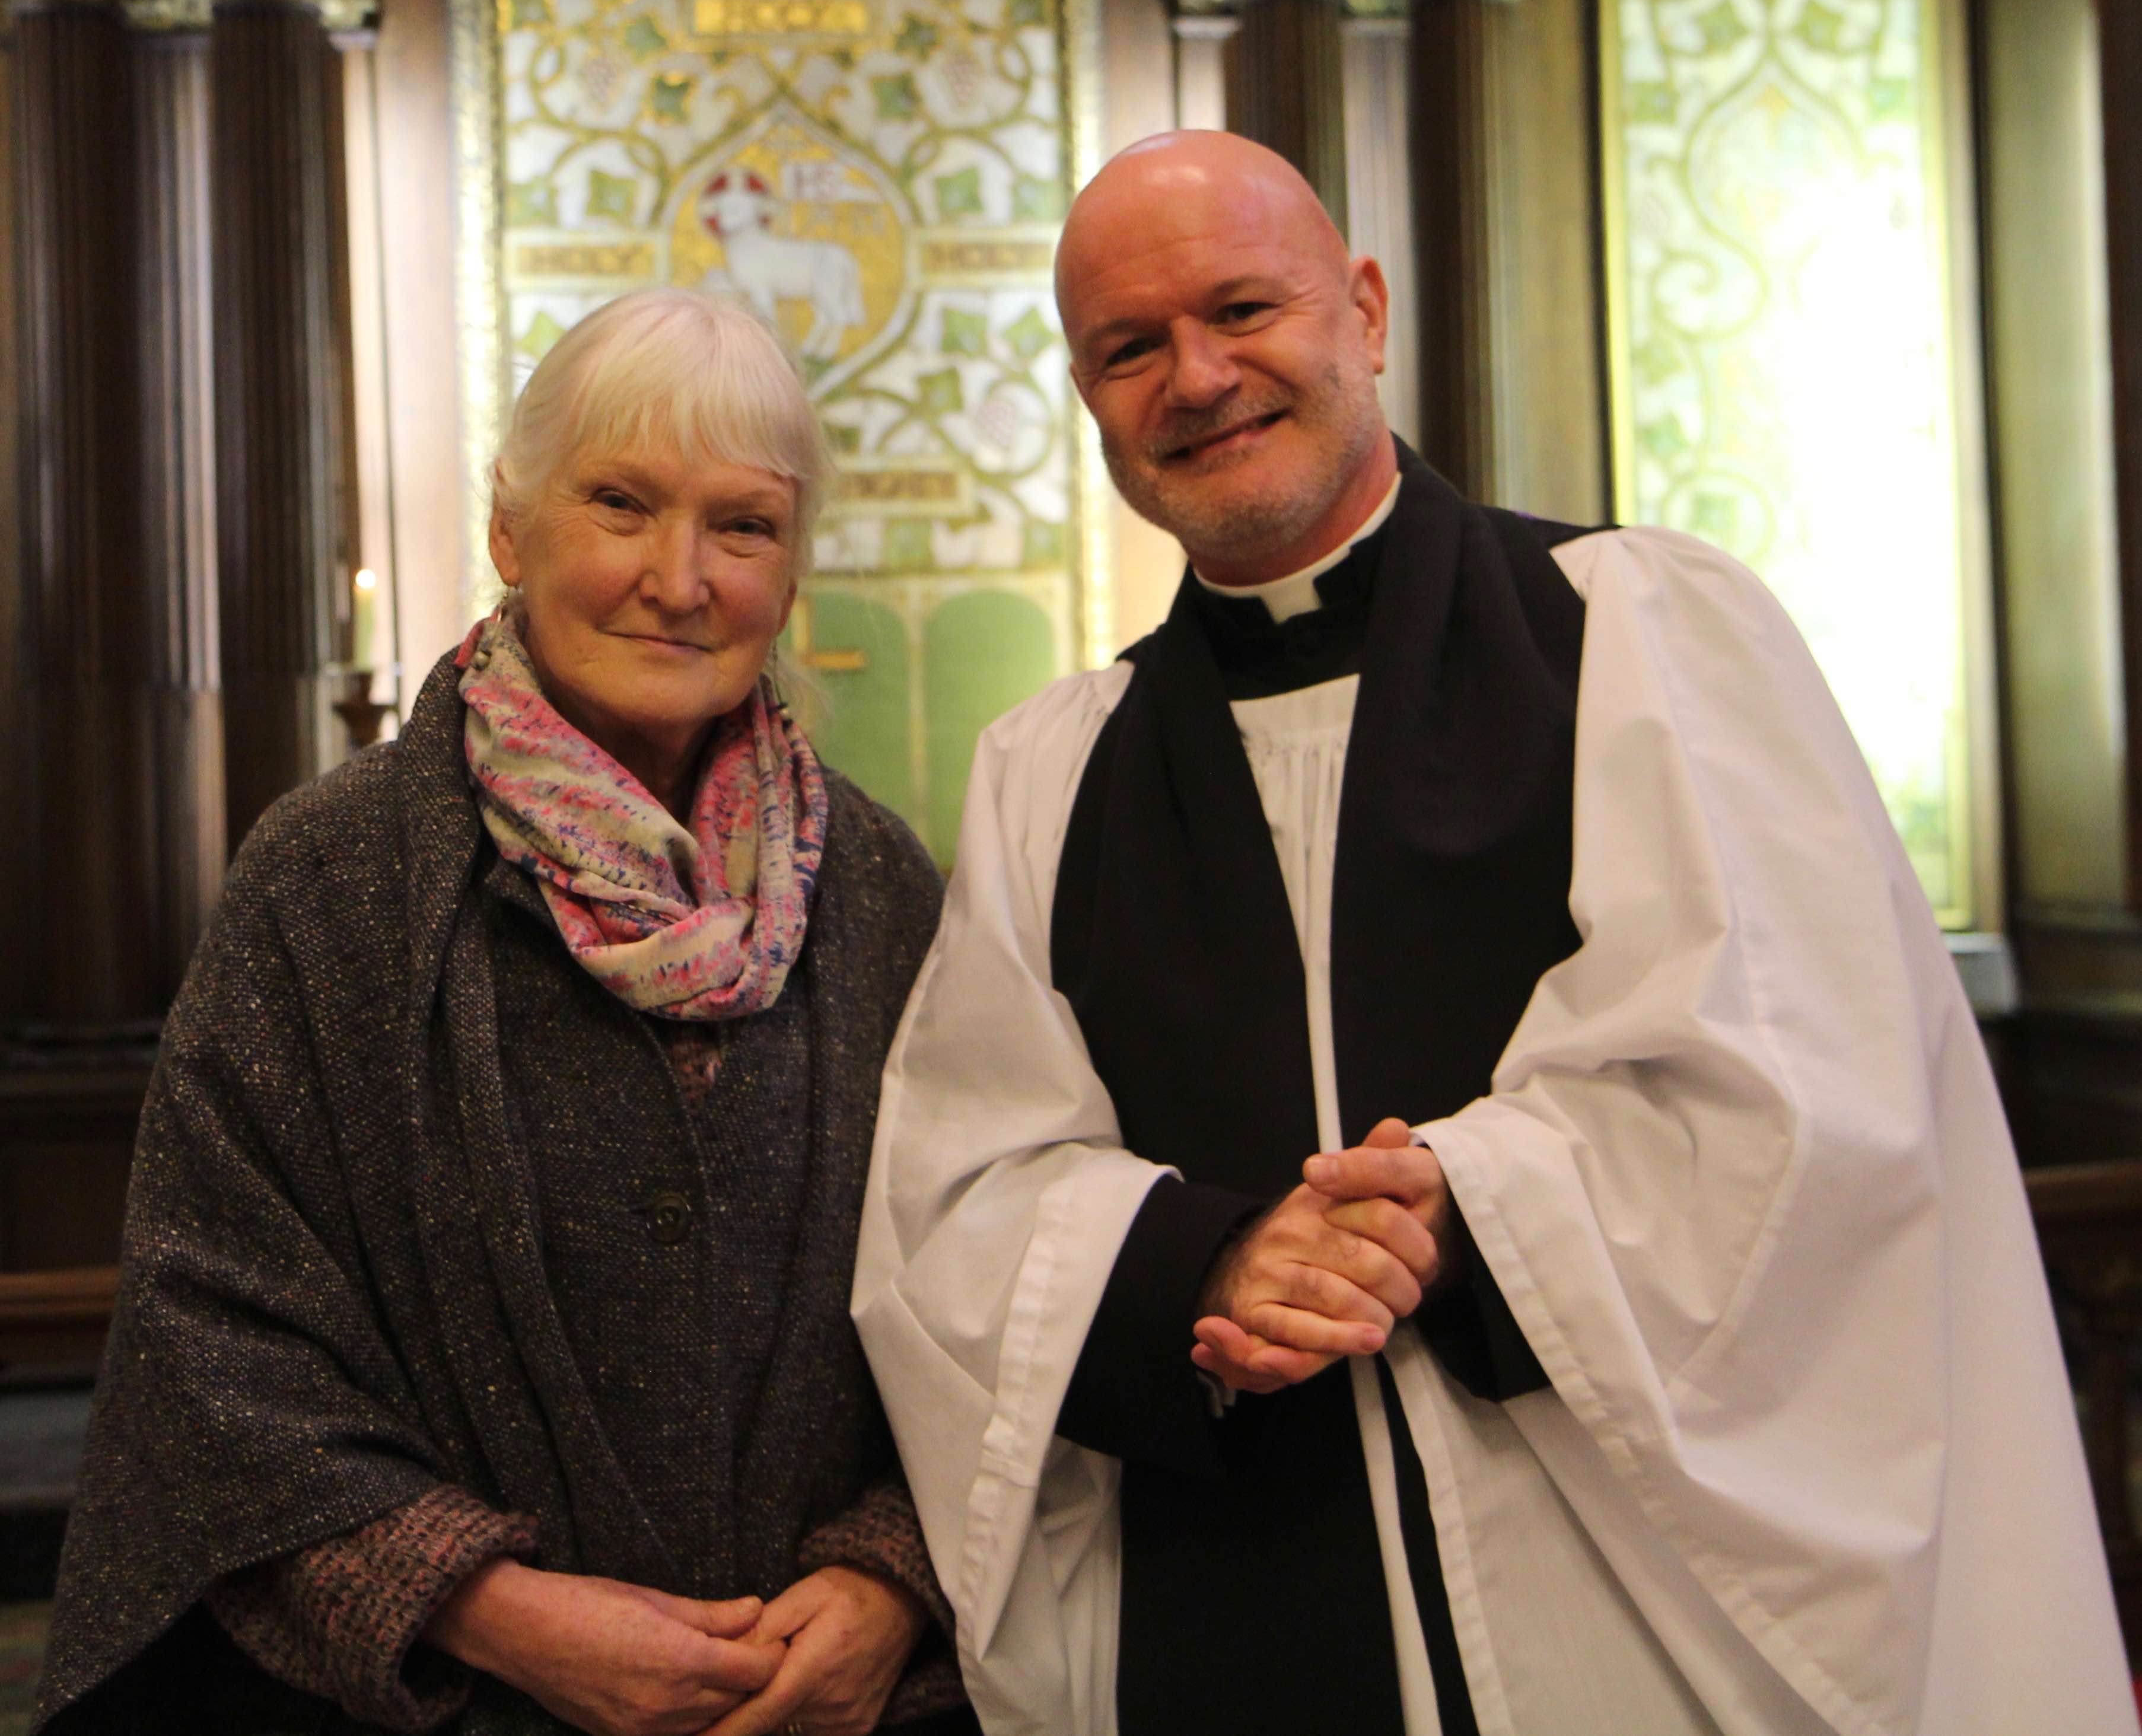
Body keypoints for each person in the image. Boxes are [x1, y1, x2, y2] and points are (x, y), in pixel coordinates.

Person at [854, 132, 2138, 1736]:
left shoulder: (1644, 633)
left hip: (1627, 1592)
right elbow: (961, 1196)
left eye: (1242, 307)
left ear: (1367, 312)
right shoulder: (1051, 767)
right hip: (1236, 1591)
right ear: (1091, 399)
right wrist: (1212, 1256)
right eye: (1129, 347)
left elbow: (1815, 1087)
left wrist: (1465, 1208)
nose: (1195, 374)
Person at [34, 288, 975, 1736]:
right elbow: (211, 1333)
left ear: (792, 572)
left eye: (743, 525)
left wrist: (891, 1577)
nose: (681, 576)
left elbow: (989, 1276)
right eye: (620, 503)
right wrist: (492, 1607)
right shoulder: (332, 877)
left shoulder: (884, 885)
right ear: (510, 529)